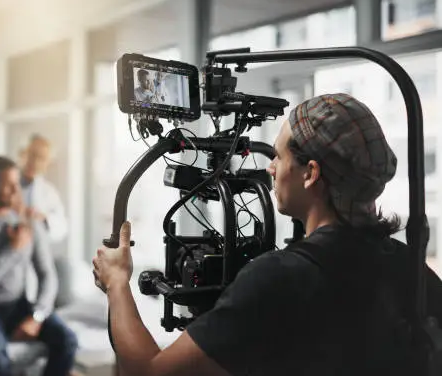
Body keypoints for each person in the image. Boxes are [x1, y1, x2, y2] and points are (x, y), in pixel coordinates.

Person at [92, 93, 442, 376]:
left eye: (278, 156)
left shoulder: (280, 278)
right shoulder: (411, 268)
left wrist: (117, 283)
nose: (270, 168)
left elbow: (151, 371)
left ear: (311, 173)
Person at [0, 155, 78, 376]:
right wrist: (13, 249)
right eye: (7, 184)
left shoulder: (28, 223)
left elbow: (48, 275)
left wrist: (36, 316)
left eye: (16, 183)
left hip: (16, 306)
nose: (15, 190)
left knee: (67, 341)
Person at [21, 134, 68, 245]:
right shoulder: (7, 182)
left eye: (41, 158)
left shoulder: (49, 192)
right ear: (23, 154)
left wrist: (44, 219)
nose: (35, 161)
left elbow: (62, 227)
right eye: (32, 155)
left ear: (48, 163)